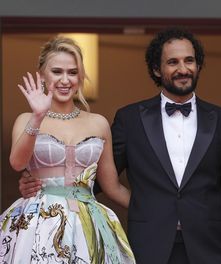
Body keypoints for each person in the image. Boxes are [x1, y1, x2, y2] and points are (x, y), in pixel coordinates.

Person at [18, 27, 221, 264]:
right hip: (149, 245)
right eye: (173, 62)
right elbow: (96, 176)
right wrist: (43, 182)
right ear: (157, 69)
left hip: (210, 247)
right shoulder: (130, 119)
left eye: (189, 60)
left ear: (198, 65)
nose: (183, 69)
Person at [0, 37, 135, 263]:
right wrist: (38, 116)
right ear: (42, 75)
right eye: (57, 71)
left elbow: (112, 187)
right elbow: (17, 163)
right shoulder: (26, 119)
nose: (65, 80)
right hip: (38, 223)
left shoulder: (98, 123)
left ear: (80, 76)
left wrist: (160, 210)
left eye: (72, 72)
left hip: (88, 226)